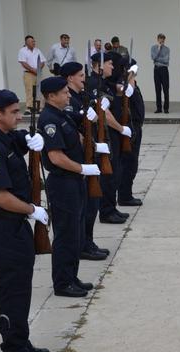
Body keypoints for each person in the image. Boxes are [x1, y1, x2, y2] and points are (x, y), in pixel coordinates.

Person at [0, 90, 50, 352]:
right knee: (12, 289)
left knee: (21, 287)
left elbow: (17, 140)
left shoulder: (2, 135)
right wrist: (31, 210)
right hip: (2, 224)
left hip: (13, 225)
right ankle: (13, 350)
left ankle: (21, 340)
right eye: (13, 111)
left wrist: (29, 139)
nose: (19, 115)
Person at [38, 76, 99, 298]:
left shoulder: (62, 114)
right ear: (51, 96)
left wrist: (88, 116)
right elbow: (56, 157)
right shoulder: (49, 120)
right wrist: (83, 169)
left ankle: (72, 276)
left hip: (73, 182)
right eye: (64, 92)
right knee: (65, 235)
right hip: (63, 183)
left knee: (75, 232)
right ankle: (62, 282)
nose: (68, 95)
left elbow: (80, 122)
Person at [59, 61, 110, 261]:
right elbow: (76, 129)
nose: (84, 79)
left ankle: (87, 241)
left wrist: (97, 114)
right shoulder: (71, 102)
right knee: (87, 207)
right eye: (80, 75)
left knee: (92, 204)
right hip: (81, 156)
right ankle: (84, 245)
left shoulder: (81, 96)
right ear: (70, 77)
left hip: (90, 153)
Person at [91, 52, 132, 224]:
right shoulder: (94, 83)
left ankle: (111, 207)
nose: (113, 67)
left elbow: (120, 94)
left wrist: (131, 76)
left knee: (114, 172)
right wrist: (121, 128)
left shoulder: (104, 83)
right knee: (108, 174)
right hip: (105, 135)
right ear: (99, 65)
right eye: (109, 63)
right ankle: (106, 211)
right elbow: (104, 114)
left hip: (111, 134)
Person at [118, 60, 144, 207]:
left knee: (132, 164)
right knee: (128, 163)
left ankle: (127, 193)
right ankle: (124, 196)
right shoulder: (124, 85)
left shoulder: (132, 83)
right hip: (130, 129)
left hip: (136, 128)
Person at [18, 35, 46, 116]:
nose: (34, 43)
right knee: (29, 90)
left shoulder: (38, 50)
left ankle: (40, 107)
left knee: (40, 90)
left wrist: (38, 69)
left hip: (38, 73)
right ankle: (29, 108)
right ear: (26, 42)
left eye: (34, 41)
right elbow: (23, 62)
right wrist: (33, 70)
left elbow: (43, 61)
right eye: (31, 41)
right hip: (28, 73)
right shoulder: (22, 51)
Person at [151, 33, 170, 114]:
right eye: (160, 39)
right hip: (156, 70)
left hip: (164, 69)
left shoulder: (167, 49)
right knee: (157, 89)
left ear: (164, 40)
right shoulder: (153, 48)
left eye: (163, 39)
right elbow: (153, 57)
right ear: (157, 39)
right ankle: (159, 108)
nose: (161, 41)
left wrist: (157, 59)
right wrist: (158, 49)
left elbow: (166, 60)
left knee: (166, 89)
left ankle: (166, 108)